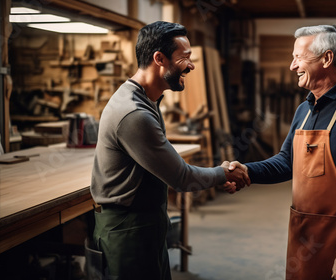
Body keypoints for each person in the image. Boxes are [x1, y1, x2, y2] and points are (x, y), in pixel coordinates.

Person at [90, 21, 249, 280]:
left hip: (143, 226)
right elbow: (182, 177)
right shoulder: (134, 114)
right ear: (159, 58)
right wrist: (223, 173)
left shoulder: (145, 100)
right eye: (185, 57)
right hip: (127, 233)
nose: (192, 65)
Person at [227, 25, 336, 280]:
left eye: (298, 57)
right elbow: (286, 162)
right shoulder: (304, 109)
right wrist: (249, 171)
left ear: (327, 58)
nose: (293, 66)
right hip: (304, 235)